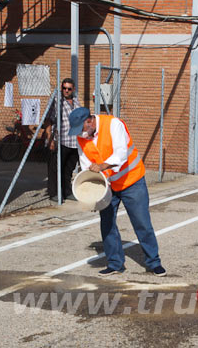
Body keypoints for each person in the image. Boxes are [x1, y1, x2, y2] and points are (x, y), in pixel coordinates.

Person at [68, 107, 166, 277]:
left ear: (89, 121)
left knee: (141, 222)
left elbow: (120, 154)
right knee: (107, 224)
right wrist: (91, 193)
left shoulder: (113, 124)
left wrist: (103, 166)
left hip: (131, 181)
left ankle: (154, 262)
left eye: (81, 129)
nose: (80, 134)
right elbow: (85, 163)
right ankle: (115, 263)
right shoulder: (81, 137)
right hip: (108, 185)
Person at [44, 78, 80, 202]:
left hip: (74, 141)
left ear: (73, 89)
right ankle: (54, 193)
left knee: (68, 169)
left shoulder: (76, 101)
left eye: (69, 89)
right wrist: (50, 139)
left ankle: (67, 191)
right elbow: (48, 119)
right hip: (60, 139)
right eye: (64, 88)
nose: (66, 91)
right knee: (55, 168)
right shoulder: (56, 100)